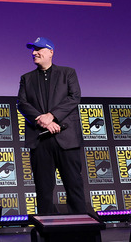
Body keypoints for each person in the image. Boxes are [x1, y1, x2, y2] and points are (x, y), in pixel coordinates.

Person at [17, 37, 88, 215]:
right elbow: (22, 104)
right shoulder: (26, 78)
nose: (34, 53)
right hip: (40, 141)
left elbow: (74, 97)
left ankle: (81, 227)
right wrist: (42, 120)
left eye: (38, 49)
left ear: (51, 52)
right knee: (43, 190)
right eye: (33, 49)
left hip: (66, 140)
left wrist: (53, 117)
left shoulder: (68, 73)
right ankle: (46, 230)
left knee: (74, 186)